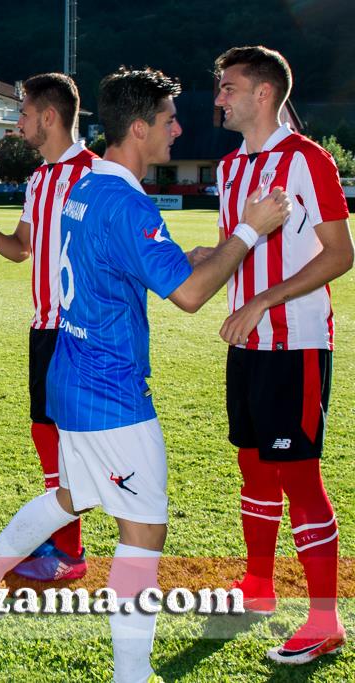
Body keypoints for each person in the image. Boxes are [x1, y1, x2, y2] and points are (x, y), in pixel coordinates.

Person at [0, 67, 290, 683]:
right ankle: (131, 674)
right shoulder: (125, 201)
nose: (178, 130)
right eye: (168, 121)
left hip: (74, 376)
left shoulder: (88, 189)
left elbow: (133, 265)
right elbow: (188, 296)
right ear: (139, 128)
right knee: (144, 531)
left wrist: (202, 254)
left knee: (70, 497)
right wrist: (249, 230)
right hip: (111, 394)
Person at [212, 45, 352, 664]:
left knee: (300, 477)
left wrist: (263, 298)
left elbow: (339, 254)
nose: (218, 97)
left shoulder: (306, 159)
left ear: (262, 93)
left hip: (294, 342)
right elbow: (229, 251)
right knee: (252, 464)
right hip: (248, 342)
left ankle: (325, 620)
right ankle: (259, 586)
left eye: (227, 87)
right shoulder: (228, 169)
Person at [0, 72, 97, 580]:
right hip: (44, 328)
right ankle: (65, 545)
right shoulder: (38, 179)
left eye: (24, 114)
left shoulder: (97, 175)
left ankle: (71, 553)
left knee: (75, 439)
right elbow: (22, 247)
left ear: (49, 117)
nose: (20, 123)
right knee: (46, 433)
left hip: (81, 331)